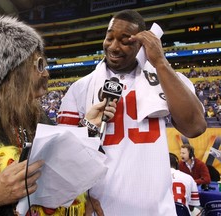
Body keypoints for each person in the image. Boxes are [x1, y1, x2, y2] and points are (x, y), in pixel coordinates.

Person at [0, 15, 117, 216]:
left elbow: (55, 170)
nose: (46, 74)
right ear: (13, 70)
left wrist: (87, 127)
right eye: (39, 65)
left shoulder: (37, 115)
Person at [57, 9, 206, 215]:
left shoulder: (166, 79)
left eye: (125, 41)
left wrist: (160, 63)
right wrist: (79, 198)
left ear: (141, 45)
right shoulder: (80, 88)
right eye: (109, 38)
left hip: (156, 209)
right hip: (101, 209)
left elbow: (195, 127)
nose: (114, 46)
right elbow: (61, 156)